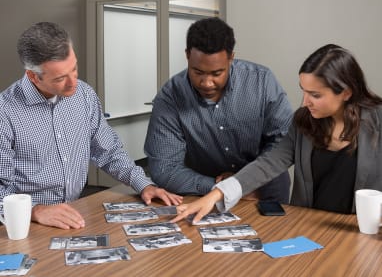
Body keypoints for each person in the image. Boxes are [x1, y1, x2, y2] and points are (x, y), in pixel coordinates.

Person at [172, 43, 382, 223]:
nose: (304, 102)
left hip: (360, 233)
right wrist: (215, 195)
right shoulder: (303, 121)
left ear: (346, 92)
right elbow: (268, 164)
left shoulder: (378, 120)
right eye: (303, 90)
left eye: (315, 95)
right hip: (310, 227)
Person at [0, 22, 182, 229]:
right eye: (60, 78)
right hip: (23, 223)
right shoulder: (4, 112)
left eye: (74, 69)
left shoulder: (84, 95)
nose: (73, 83)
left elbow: (108, 151)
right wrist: (35, 210)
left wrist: (143, 184)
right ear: (33, 76)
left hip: (74, 213)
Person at [144, 17, 293, 203]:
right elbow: (164, 168)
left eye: (216, 73)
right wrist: (219, 189)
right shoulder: (170, 97)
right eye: (197, 72)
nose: (206, 83)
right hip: (203, 188)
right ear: (187, 55)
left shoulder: (262, 82)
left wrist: (243, 182)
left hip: (263, 183)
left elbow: (283, 143)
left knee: (277, 232)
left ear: (231, 57)